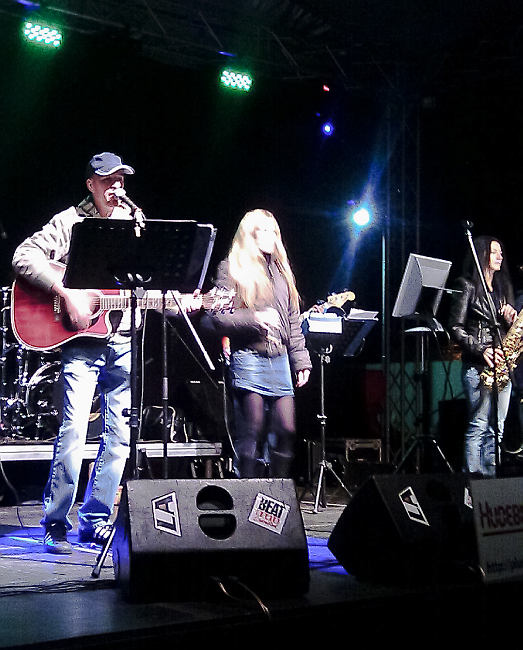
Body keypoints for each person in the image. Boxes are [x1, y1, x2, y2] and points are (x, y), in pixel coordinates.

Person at [12, 152, 197, 553]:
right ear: (90, 185)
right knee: (75, 431)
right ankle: (55, 521)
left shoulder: (135, 224)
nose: (117, 187)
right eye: (108, 180)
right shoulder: (70, 222)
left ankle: (95, 519)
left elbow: (145, 286)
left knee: (119, 436)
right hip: (82, 342)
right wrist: (64, 292)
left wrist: (181, 302)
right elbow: (22, 256)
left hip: (123, 339)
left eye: (121, 180)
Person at [207, 209, 311, 478]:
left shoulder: (282, 272)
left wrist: (301, 360)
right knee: (252, 431)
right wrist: (254, 319)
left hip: (280, 360)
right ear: (249, 235)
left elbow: (292, 320)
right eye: (262, 231)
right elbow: (217, 316)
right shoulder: (231, 268)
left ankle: (277, 490)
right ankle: (247, 492)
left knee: (286, 430)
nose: (269, 236)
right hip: (249, 358)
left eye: (273, 231)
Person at [448, 236, 517, 478]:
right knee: (478, 424)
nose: (500, 256)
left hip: (501, 365)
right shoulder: (466, 285)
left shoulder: (501, 290)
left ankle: (490, 481)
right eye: (494, 252)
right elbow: (455, 327)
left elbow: (505, 330)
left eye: (501, 252)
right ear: (482, 255)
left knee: (497, 428)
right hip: (477, 366)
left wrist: (509, 319)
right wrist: (481, 349)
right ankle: (473, 482)